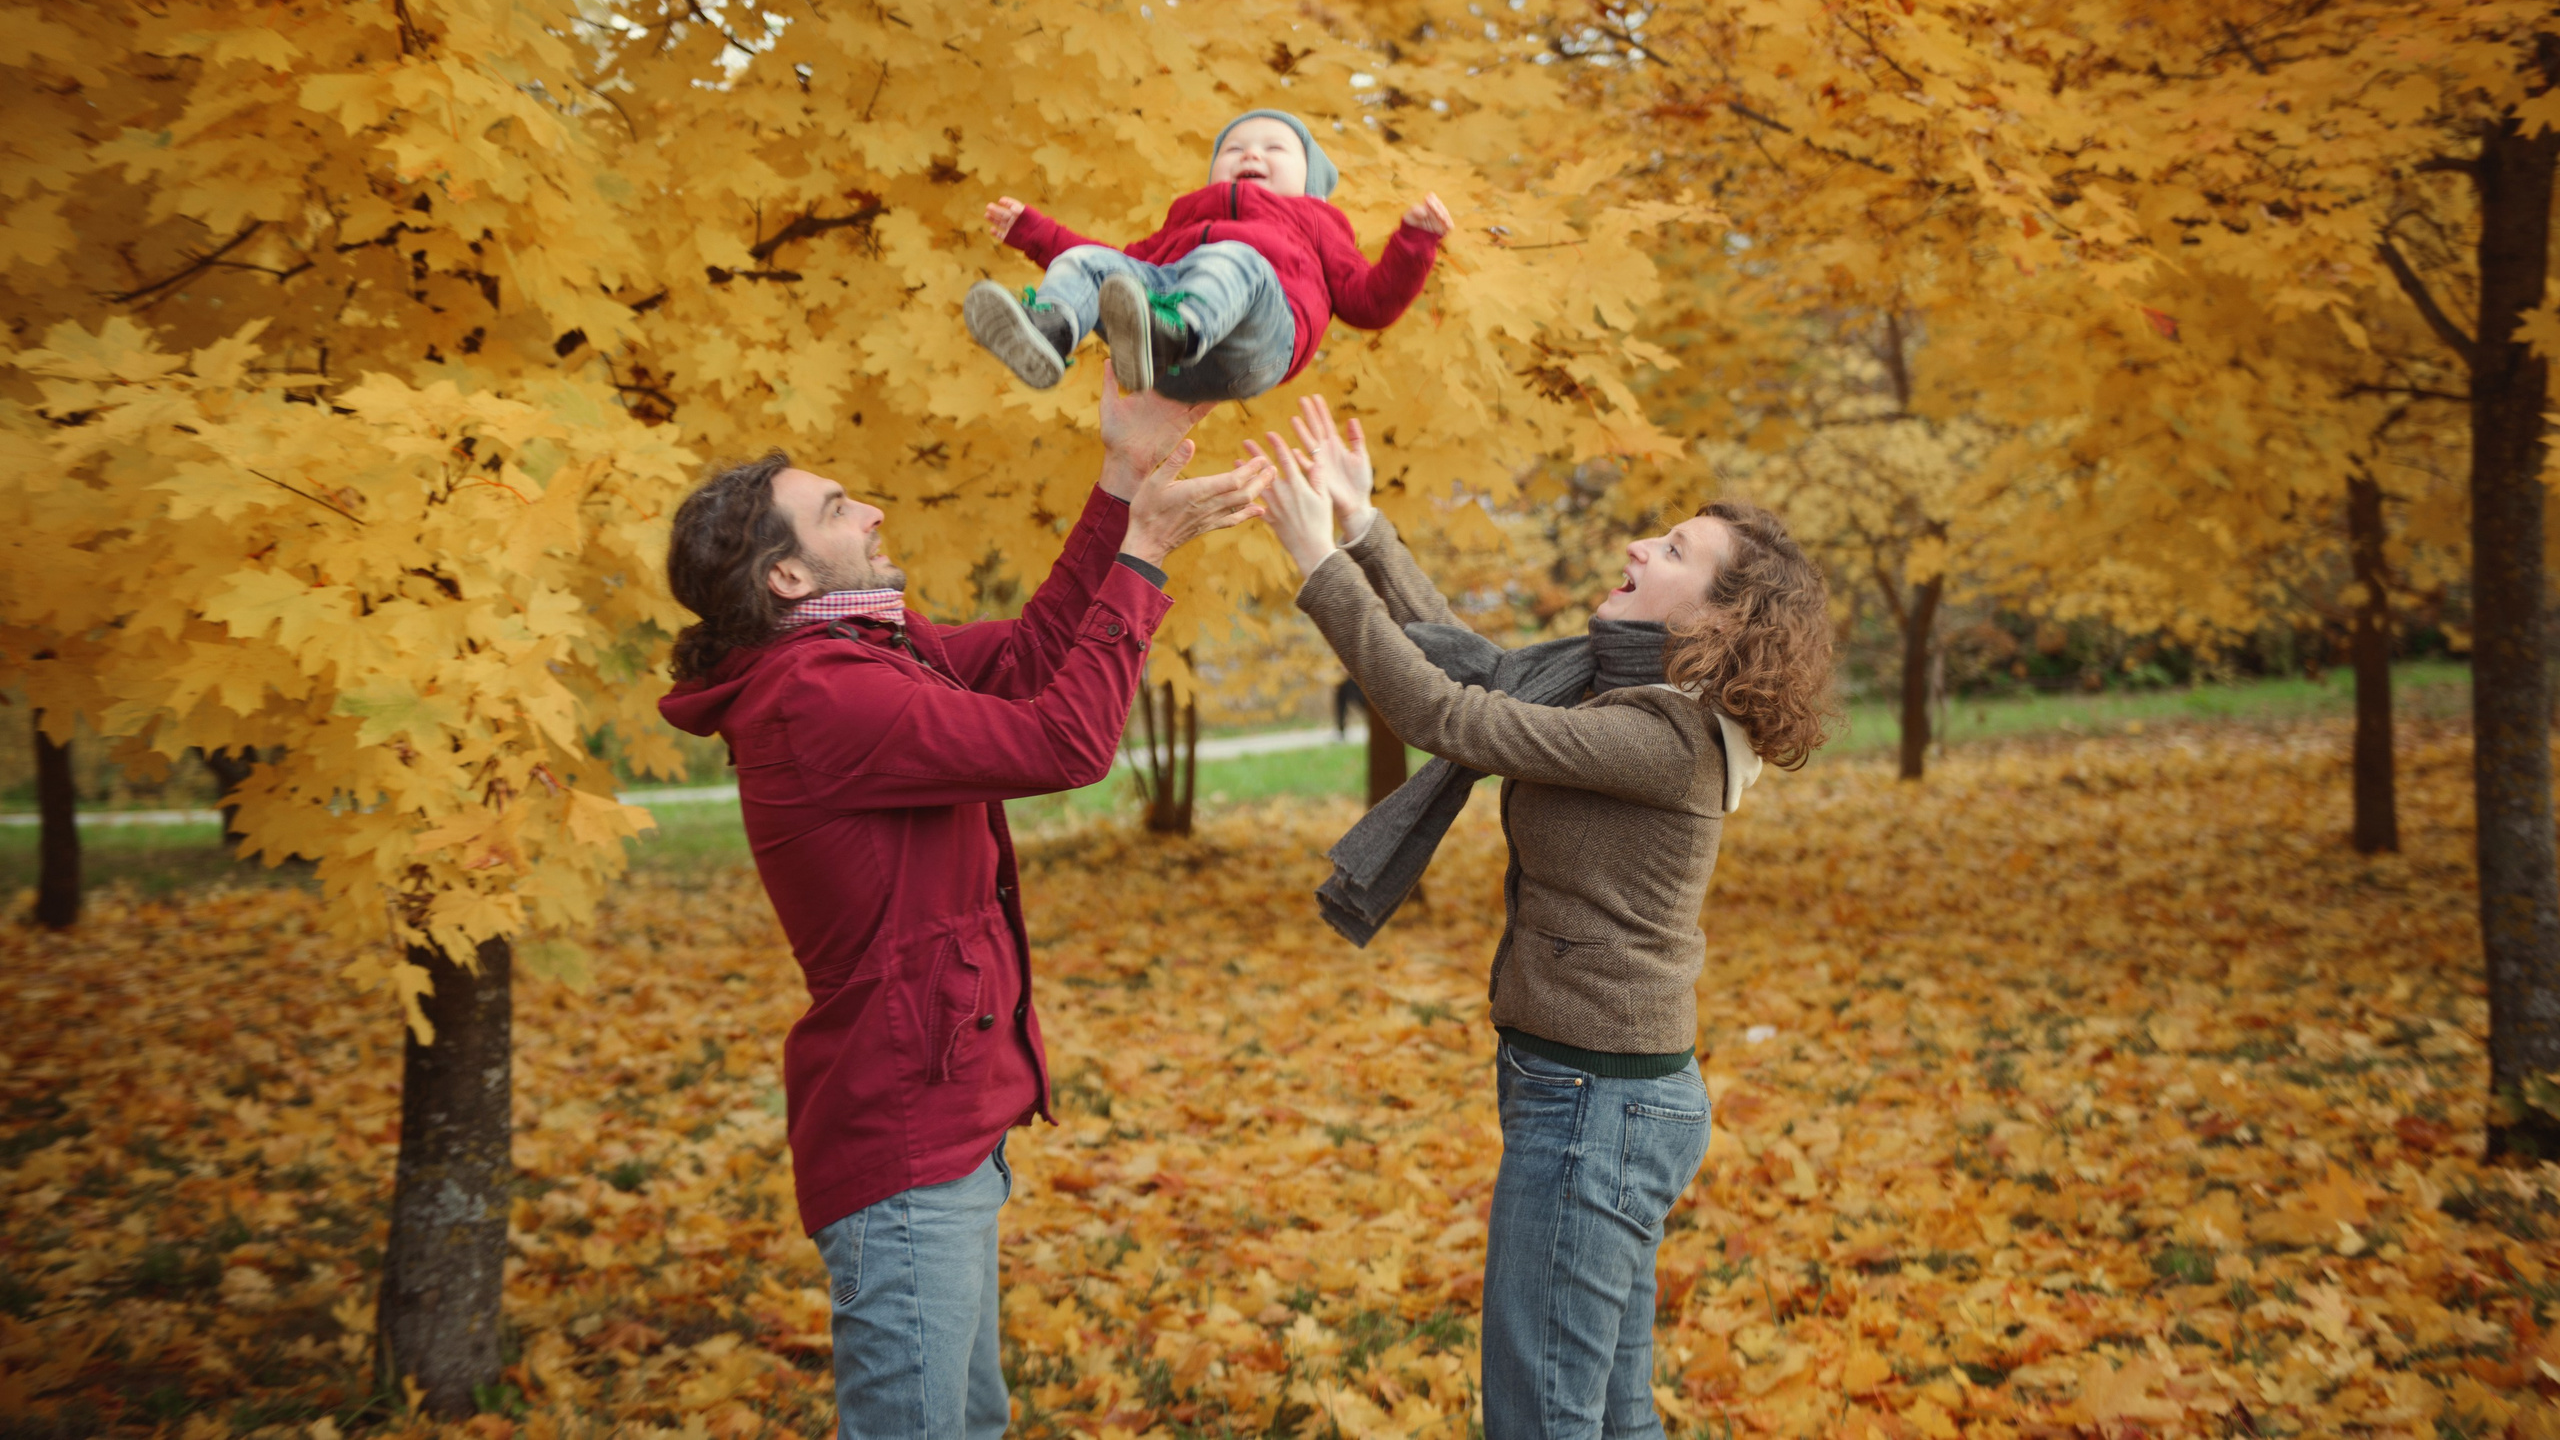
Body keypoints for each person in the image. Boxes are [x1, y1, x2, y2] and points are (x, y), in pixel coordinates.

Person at [656, 378, 1270, 1440]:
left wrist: (1123, 481)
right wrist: (1144, 555)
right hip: (898, 1135)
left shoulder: (867, 653)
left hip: (944, 1116)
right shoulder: (818, 694)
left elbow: (1034, 661)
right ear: (789, 572)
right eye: (842, 505)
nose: (874, 511)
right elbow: (1065, 743)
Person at [1246, 396, 1835, 1440]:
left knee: (1543, 1418)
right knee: (1604, 1413)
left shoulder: (1664, 739)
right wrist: (1364, 527)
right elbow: (1488, 671)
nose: (1635, 543)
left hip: (1594, 1105)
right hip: (1602, 1092)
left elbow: (1446, 714)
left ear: (1716, 616)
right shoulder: (1617, 697)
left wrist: (1316, 567)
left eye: (1671, 547)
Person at [963, 108, 1455, 399]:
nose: (1250, 154)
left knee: (1236, 259)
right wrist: (1032, 232)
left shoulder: (1318, 223)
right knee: (1093, 264)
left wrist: (1414, 242)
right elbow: (1116, 264)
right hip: (1161, 366)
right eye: (1234, 148)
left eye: (1274, 148)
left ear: (1312, 184)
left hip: (1258, 345)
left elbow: (1370, 303)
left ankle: (1175, 332)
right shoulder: (1187, 217)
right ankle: (1051, 331)